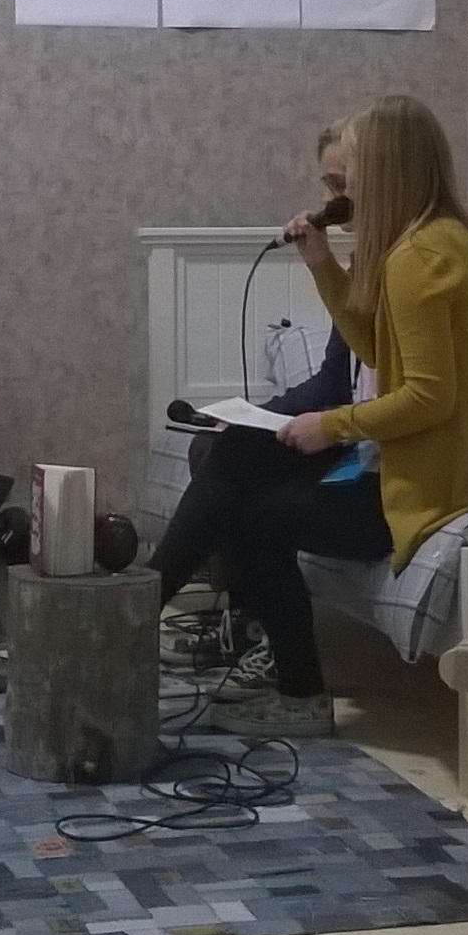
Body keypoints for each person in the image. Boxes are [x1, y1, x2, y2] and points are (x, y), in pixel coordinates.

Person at [210, 95, 468, 739]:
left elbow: (429, 397)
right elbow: (382, 355)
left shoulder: (417, 259)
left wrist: (331, 424)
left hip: (439, 487)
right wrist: (323, 266)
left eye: (351, 171)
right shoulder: (446, 242)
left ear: (384, 170)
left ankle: (300, 693)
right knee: (250, 486)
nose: (343, 187)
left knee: (254, 520)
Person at [149, 125, 358, 687]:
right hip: (355, 429)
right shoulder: (370, 262)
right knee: (224, 444)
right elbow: (338, 377)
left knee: (240, 476)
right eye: (329, 185)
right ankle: (237, 626)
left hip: (371, 443)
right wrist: (259, 414)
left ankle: (145, 602)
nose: (333, 200)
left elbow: (402, 395)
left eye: (344, 185)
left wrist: (324, 424)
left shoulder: (415, 262)